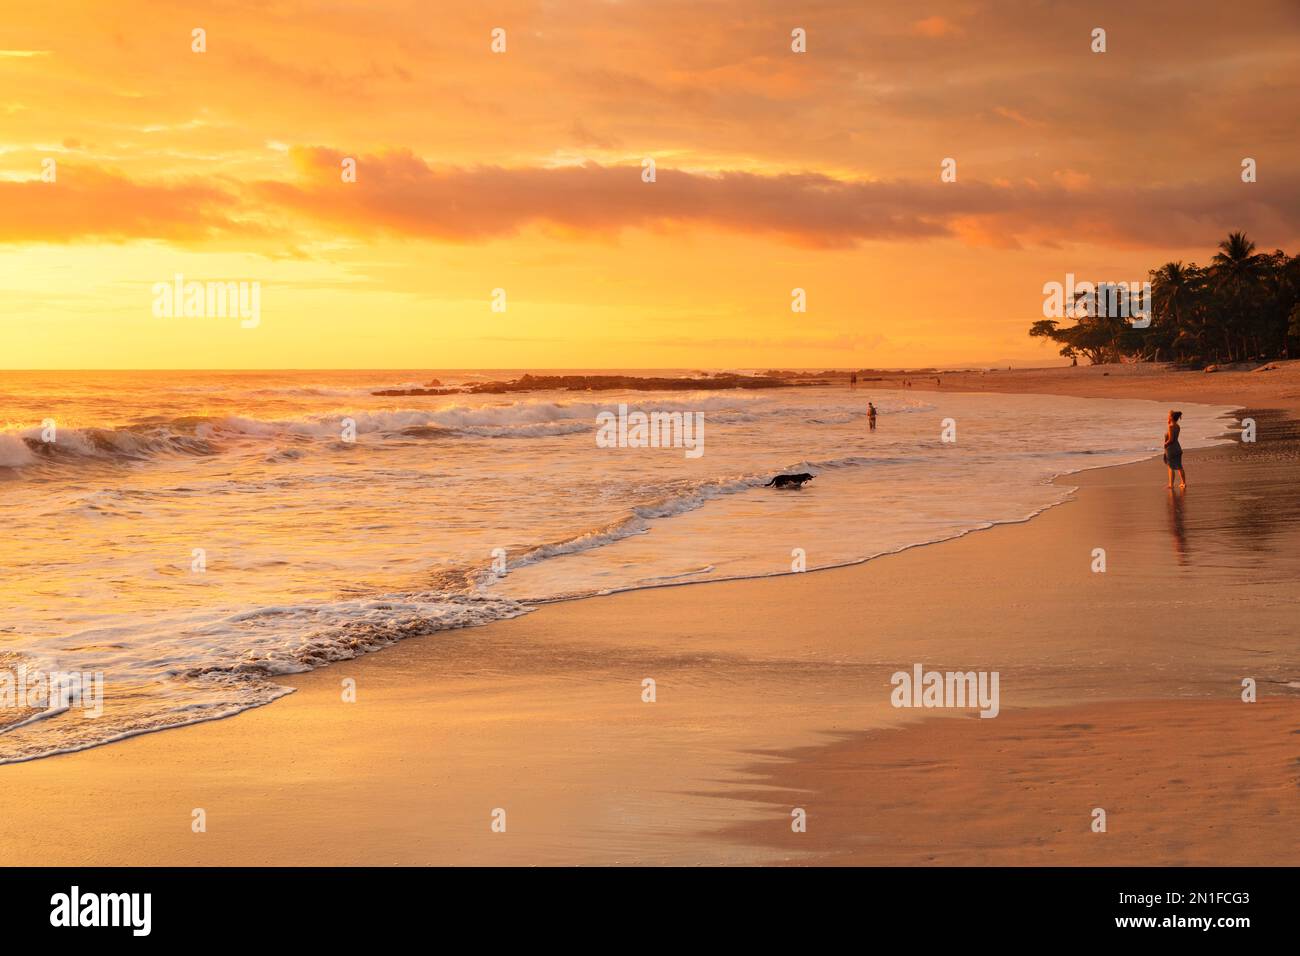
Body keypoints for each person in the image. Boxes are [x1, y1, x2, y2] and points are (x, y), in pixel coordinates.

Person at [1163, 410, 1186, 489]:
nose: (1167, 417)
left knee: (1170, 467)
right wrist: (1169, 420)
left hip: (1171, 449)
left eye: (1169, 416)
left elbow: (1171, 439)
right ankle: (1183, 483)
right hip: (1177, 448)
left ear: (1171, 417)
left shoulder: (1171, 426)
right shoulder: (1177, 426)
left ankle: (1171, 485)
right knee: (1179, 467)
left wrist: (1165, 444)